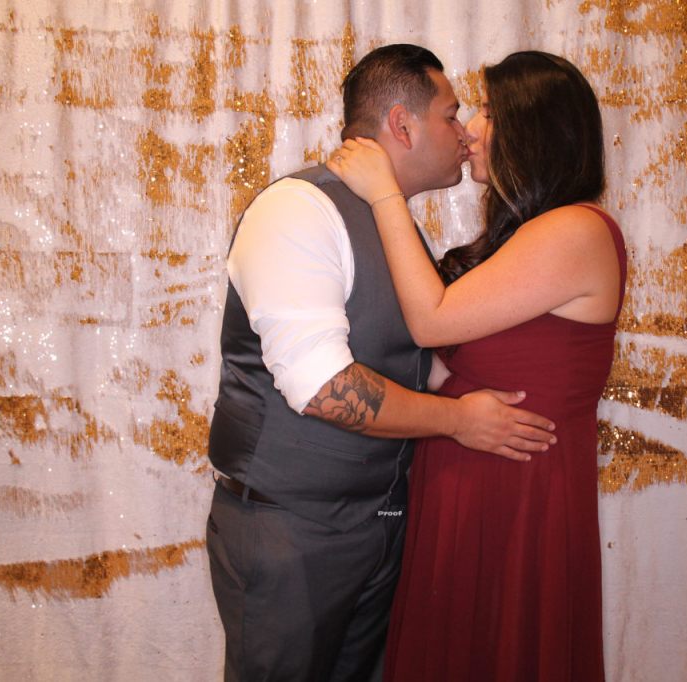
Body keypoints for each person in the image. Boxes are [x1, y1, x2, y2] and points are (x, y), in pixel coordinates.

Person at [205, 44, 558, 682]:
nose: (464, 132)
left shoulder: (393, 225)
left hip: (383, 528)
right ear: (402, 125)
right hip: (290, 533)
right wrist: (461, 421)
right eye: (450, 115)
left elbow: (414, 362)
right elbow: (323, 387)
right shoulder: (298, 210)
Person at [328, 51, 625, 681]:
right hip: (466, 481)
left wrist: (385, 193)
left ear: (532, 127)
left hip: (520, 498)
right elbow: (444, 363)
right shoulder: (528, 237)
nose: (468, 129)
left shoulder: (577, 229)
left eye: (486, 110)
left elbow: (431, 322)